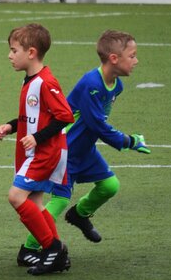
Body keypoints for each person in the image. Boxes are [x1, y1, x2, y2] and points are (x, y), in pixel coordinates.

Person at [0, 24, 74, 276]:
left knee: (16, 197)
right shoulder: (30, 80)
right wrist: (11, 124)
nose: (9, 55)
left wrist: (37, 138)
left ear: (31, 52)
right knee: (36, 203)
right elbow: (33, 115)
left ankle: (52, 247)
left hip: (45, 152)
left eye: (13, 50)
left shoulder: (45, 82)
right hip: (36, 150)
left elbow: (64, 116)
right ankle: (56, 253)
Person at [57, 30, 150, 243]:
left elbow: (98, 124)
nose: (136, 60)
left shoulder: (117, 85)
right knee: (59, 201)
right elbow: (97, 125)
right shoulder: (92, 84)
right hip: (66, 149)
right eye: (132, 55)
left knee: (110, 186)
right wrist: (129, 141)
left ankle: (79, 215)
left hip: (85, 149)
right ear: (114, 58)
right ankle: (31, 247)